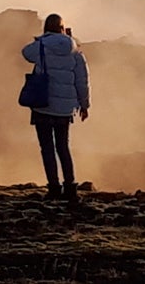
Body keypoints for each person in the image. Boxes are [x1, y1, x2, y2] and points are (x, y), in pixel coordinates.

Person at [21, 14, 90, 201]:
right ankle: (70, 187)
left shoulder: (41, 46)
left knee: (47, 148)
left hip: (42, 104)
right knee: (63, 147)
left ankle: (54, 187)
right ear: (63, 28)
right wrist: (84, 105)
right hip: (65, 108)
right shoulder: (75, 51)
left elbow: (26, 52)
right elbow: (82, 81)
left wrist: (42, 40)